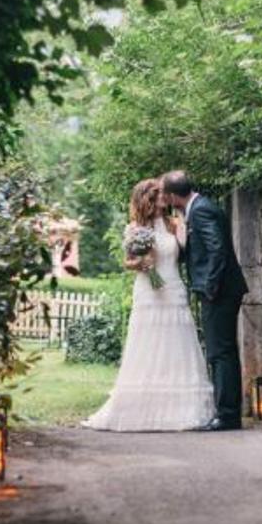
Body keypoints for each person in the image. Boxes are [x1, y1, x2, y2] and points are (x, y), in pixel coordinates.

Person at [83, 178, 215, 431]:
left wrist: (182, 229)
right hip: (148, 291)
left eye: (162, 196)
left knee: (177, 344)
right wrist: (142, 264)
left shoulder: (173, 223)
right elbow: (128, 262)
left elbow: (188, 250)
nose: (162, 201)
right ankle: (141, 408)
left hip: (173, 288)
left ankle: (181, 410)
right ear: (146, 201)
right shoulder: (134, 228)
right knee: (148, 344)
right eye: (157, 197)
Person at [160, 170, 248, 431]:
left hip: (219, 291)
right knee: (222, 352)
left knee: (220, 353)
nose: (164, 199)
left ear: (173, 195)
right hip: (221, 289)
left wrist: (209, 287)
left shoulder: (201, 210)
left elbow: (217, 249)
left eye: (165, 195)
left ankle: (228, 415)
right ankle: (227, 412)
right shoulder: (198, 207)